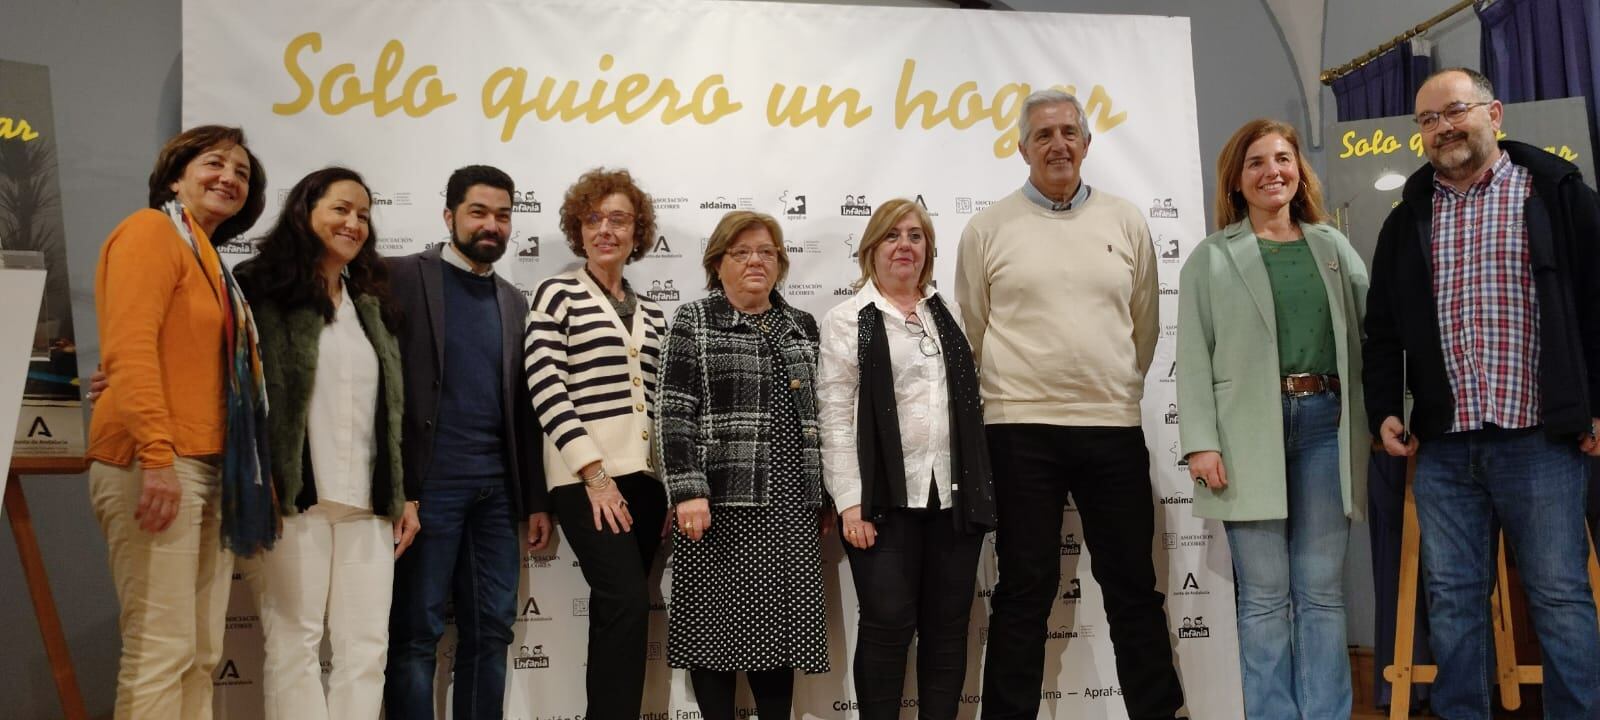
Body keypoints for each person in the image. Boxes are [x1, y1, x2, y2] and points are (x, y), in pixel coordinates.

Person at [1364, 67, 1600, 719]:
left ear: (1494, 113)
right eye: (1428, 120)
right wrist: (1384, 409)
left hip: (1542, 442)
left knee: (1558, 596)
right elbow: (1380, 329)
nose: (1443, 127)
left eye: (1455, 111)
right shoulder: (1408, 219)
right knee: (1452, 603)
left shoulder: (1556, 194)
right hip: (1444, 450)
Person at [953, 88, 1185, 720]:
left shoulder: (1127, 220)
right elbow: (972, 331)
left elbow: (1144, 326)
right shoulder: (986, 228)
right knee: (1024, 589)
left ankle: (1158, 713)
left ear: (1086, 142)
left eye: (1068, 133)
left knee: (1133, 586)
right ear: (1022, 148)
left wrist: (1111, 389)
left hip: (1110, 427)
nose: (1057, 144)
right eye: (1043, 135)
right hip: (1017, 429)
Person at [1176, 119, 1370, 718]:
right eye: (1256, 162)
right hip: (1243, 438)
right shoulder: (1211, 258)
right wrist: (1201, 443)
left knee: (1321, 595)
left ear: (1298, 171)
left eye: (1283, 158)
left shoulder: (1333, 247)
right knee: (1262, 598)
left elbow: (1373, 337)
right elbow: (1192, 360)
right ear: (1237, 180)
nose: (1272, 172)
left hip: (1325, 429)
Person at [87, 124, 270, 718]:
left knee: (200, 650)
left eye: (241, 173)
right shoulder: (150, 233)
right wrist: (158, 459)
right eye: (215, 164)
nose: (229, 178)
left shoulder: (210, 262)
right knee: (160, 648)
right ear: (175, 175)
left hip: (211, 464)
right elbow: (130, 349)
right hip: (156, 463)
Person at [230, 167, 416, 719]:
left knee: (366, 650)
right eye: (340, 209)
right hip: (291, 502)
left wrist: (401, 494)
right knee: (294, 644)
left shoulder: (373, 305)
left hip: (368, 506)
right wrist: (258, 482)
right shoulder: (257, 288)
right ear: (304, 211)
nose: (353, 223)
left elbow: (391, 413)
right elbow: (238, 395)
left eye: (362, 214)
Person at [383, 165, 553, 720]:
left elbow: (525, 411)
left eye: (503, 216)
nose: (491, 226)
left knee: (491, 630)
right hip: (428, 490)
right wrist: (398, 486)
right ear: (449, 214)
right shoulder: (401, 276)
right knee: (416, 630)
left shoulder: (514, 301)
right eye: (478, 212)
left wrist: (533, 500)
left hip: (496, 492)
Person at [816, 198, 995, 719]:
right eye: (893, 236)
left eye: (915, 237)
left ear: (928, 251)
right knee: (887, 626)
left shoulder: (949, 313)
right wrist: (850, 502)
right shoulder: (847, 320)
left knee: (946, 629)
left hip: (954, 499)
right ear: (872, 249)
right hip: (882, 501)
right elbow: (833, 417)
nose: (905, 246)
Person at [656, 211, 830, 720]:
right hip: (717, 508)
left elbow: (818, 416)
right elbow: (673, 411)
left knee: (780, 637)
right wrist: (687, 490)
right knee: (713, 635)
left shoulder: (802, 325)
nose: (756, 261)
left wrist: (819, 495)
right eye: (741, 252)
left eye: (767, 252)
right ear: (718, 263)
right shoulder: (694, 320)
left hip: (789, 510)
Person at [523, 168, 670, 719]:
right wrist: (594, 474)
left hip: (648, 483)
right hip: (587, 481)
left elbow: (660, 406)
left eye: (619, 219)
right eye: (593, 219)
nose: (605, 230)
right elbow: (546, 385)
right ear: (578, 229)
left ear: (638, 231)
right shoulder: (557, 293)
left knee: (623, 613)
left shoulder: (653, 312)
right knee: (625, 602)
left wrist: (671, 487)